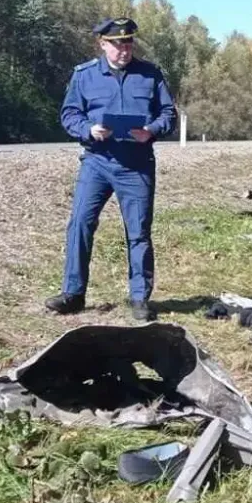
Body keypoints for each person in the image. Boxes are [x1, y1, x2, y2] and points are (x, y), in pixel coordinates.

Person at [45, 17, 177, 321]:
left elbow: (168, 113)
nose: (124, 49)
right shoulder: (84, 75)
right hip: (97, 162)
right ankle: (73, 294)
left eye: (128, 43)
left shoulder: (150, 75)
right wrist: (88, 129)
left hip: (136, 165)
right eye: (117, 44)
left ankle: (139, 298)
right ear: (103, 44)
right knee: (80, 223)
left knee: (138, 232)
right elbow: (69, 114)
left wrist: (152, 130)